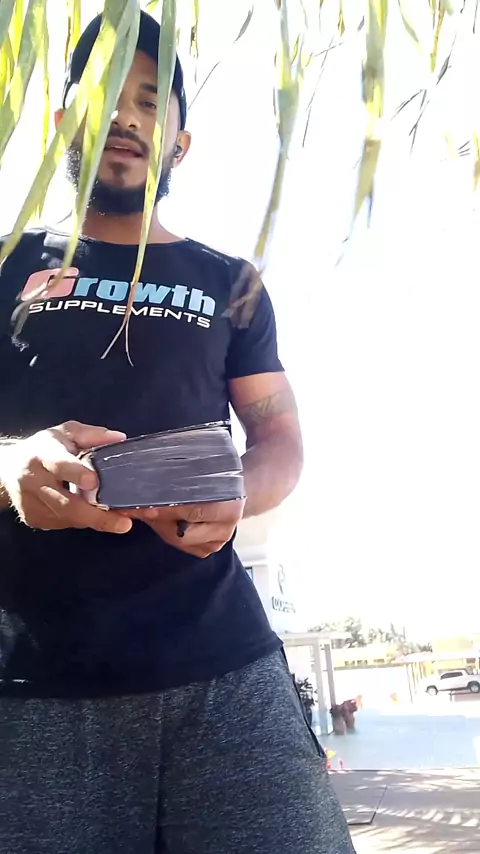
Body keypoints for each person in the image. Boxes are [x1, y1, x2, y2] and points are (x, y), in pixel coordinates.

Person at [0, 11, 356, 854]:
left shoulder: (233, 283)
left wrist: (240, 494)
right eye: (103, 98)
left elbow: (279, 438)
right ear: (65, 124)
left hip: (225, 666)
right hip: (35, 681)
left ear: (180, 144)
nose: (126, 118)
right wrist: (11, 466)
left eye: (149, 102)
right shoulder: (9, 264)